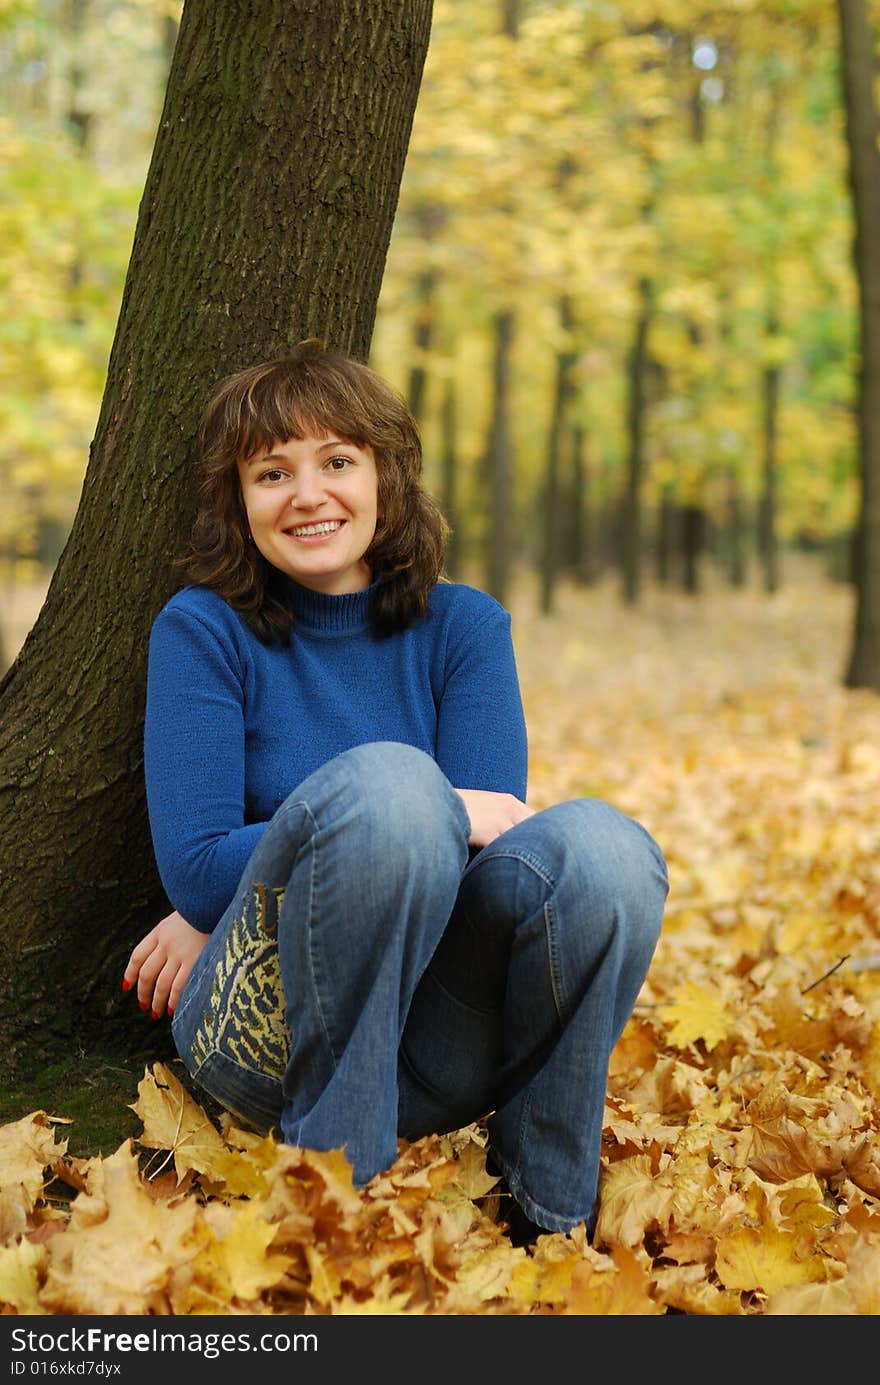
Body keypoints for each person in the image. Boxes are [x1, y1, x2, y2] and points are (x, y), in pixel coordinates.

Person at [123, 337, 668, 1246]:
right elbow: (196, 869)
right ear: (238, 502)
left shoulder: (464, 627)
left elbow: (503, 864)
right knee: (397, 785)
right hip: (262, 1030)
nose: (308, 494)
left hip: (441, 1036)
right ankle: (336, 1209)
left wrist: (384, 823)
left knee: (606, 850)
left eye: (338, 460)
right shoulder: (204, 629)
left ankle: (548, 1218)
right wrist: (271, 869)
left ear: (386, 478)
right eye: (272, 473)